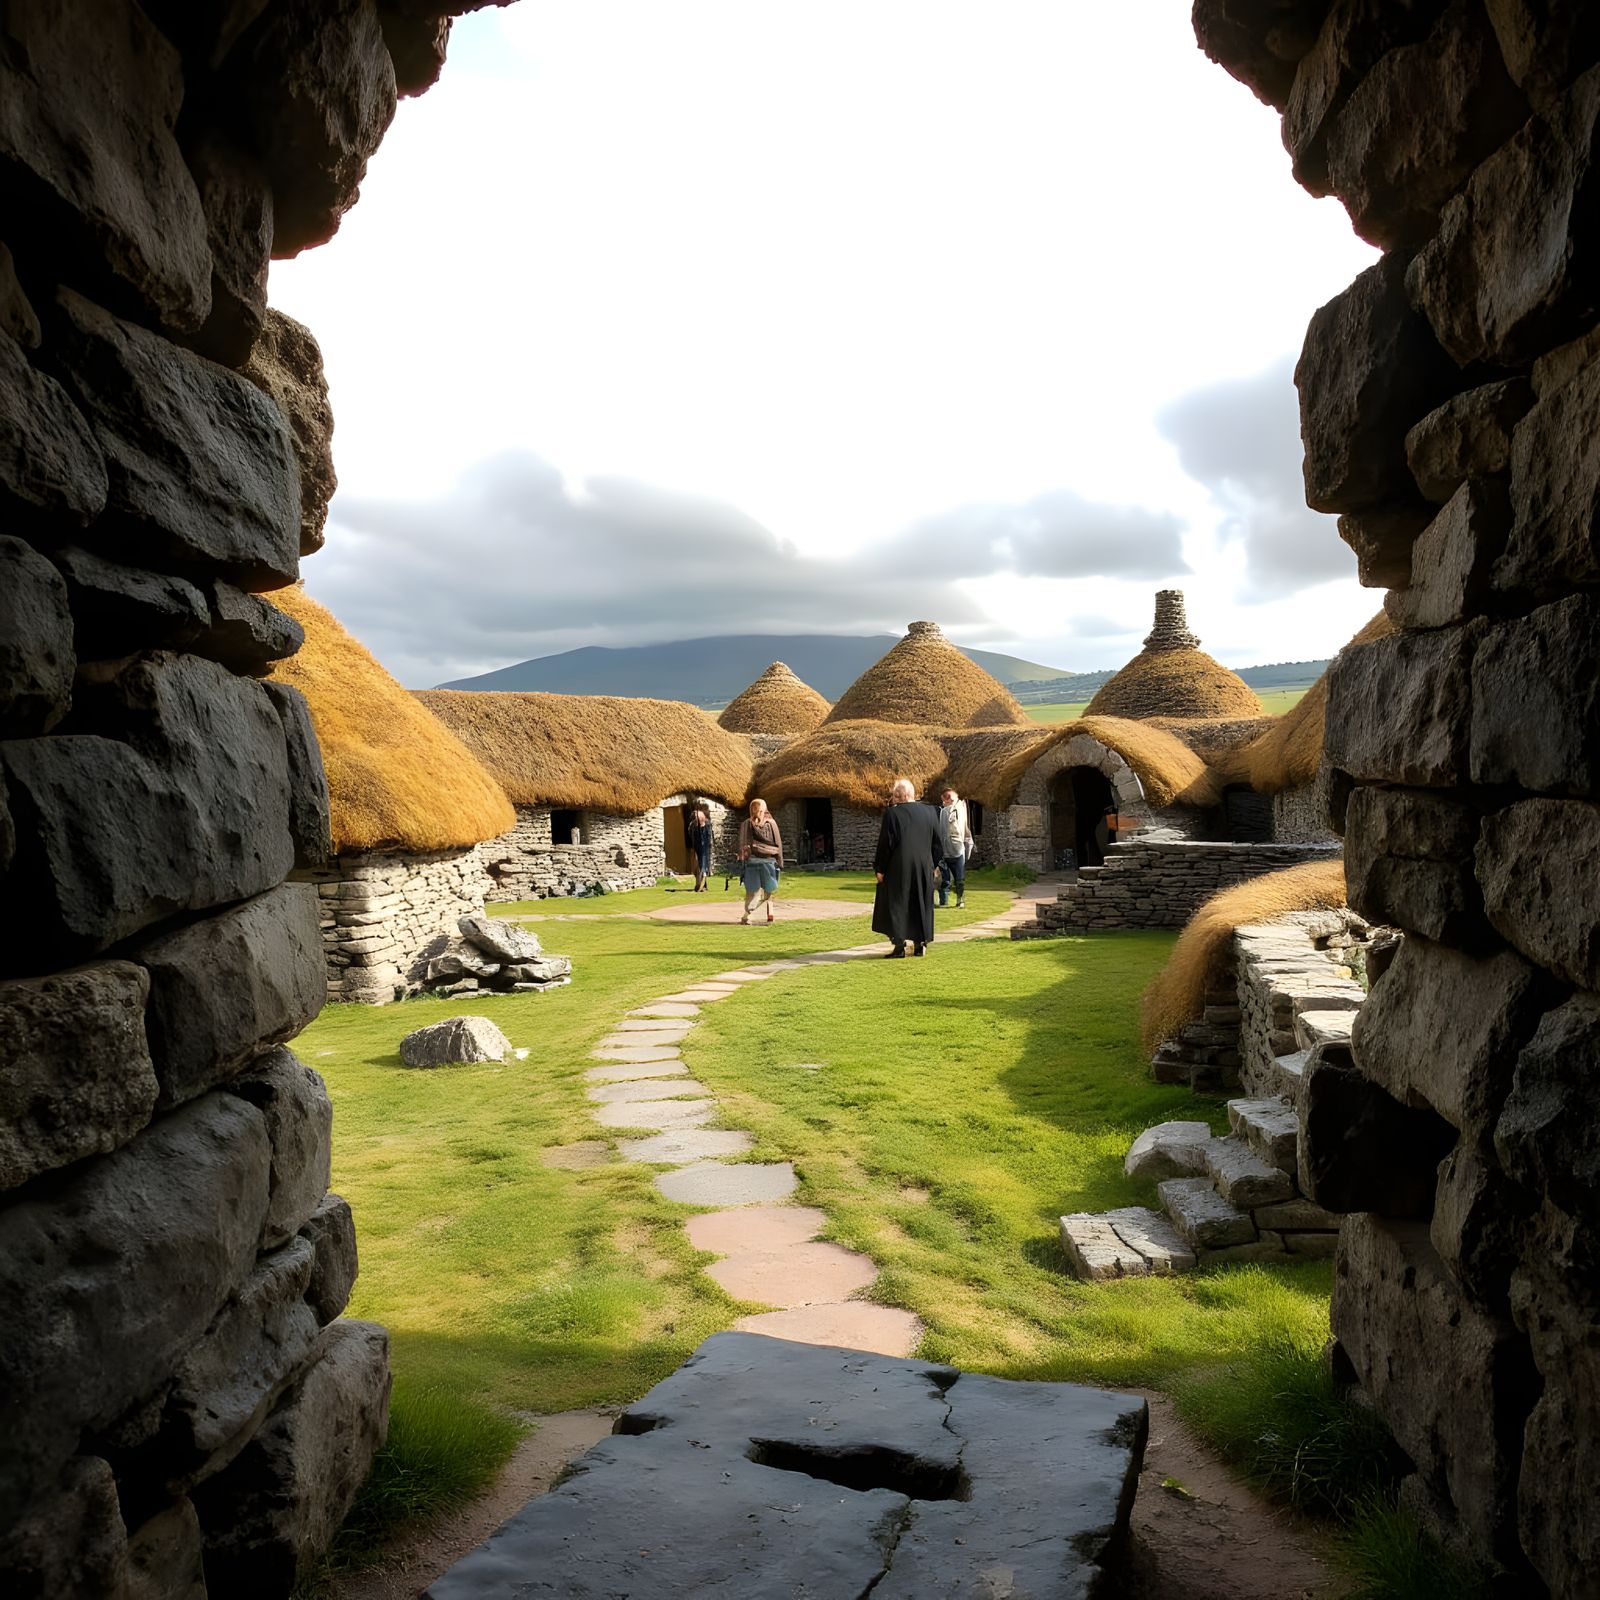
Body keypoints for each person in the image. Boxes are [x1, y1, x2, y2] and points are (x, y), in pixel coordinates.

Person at [872, 778, 942, 957]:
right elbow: (938, 844)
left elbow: (885, 845)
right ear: (912, 794)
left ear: (898, 796)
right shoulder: (931, 812)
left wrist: (880, 869)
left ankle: (899, 946)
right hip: (923, 867)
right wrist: (932, 865)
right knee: (920, 902)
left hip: (898, 867)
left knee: (897, 904)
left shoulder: (892, 814)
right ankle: (920, 944)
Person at [737, 796, 784, 924]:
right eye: (754, 810)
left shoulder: (768, 824)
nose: (756, 812)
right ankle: (750, 914)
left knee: (762, 891)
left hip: (763, 863)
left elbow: (778, 844)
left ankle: (758, 913)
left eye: (757, 810)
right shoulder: (749, 824)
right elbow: (742, 843)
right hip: (758, 864)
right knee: (758, 892)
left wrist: (780, 862)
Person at [935, 786, 973, 908]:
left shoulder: (960, 808)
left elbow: (964, 828)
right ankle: (943, 902)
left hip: (957, 850)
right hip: (944, 851)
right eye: (944, 797)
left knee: (959, 879)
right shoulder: (941, 810)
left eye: (948, 796)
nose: (946, 799)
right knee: (944, 880)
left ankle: (960, 900)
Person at [688, 804, 713, 893]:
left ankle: (703, 884)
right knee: (698, 865)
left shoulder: (708, 824)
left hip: (705, 847)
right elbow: (691, 836)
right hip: (697, 847)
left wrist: (709, 844)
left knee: (704, 864)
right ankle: (699, 882)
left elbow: (709, 835)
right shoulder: (692, 825)